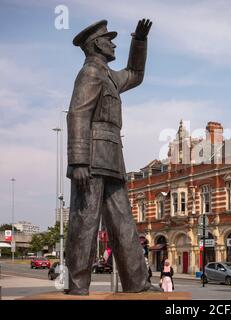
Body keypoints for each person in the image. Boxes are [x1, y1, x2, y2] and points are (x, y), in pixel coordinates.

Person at [65, 19, 157, 295]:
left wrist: (139, 41)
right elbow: (77, 114)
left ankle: (137, 283)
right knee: (85, 221)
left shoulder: (108, 76)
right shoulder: (90, 73)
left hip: (112, 157)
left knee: (123, 223)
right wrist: (78, 161)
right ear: (96, 44)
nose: (113, 43)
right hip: (92, 158)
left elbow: (135, 73)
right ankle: (78, 286)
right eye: (109, 39)